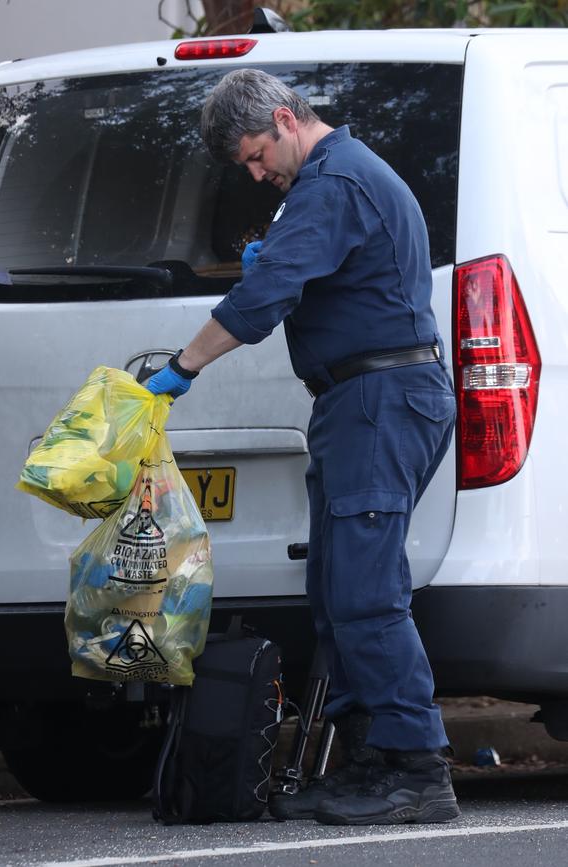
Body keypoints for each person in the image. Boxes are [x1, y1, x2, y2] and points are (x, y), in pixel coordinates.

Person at [146, 68, 459, 827]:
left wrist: (181, 368)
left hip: (381, 401)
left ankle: (417, 769)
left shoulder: (335, 182)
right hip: (356, 401)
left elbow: (265, 296)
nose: (255, 173)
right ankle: (367, 763)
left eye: (256, 155)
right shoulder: (324, 183)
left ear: (287, 120)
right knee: (334, 591)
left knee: (364, 591)